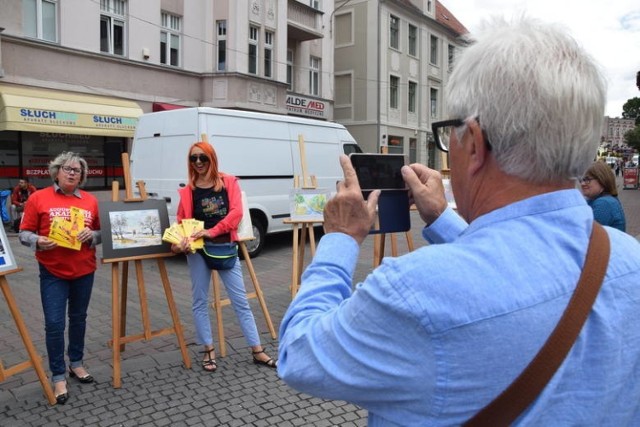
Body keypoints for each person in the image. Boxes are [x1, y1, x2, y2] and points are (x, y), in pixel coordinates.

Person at [277, 17, 640, 425]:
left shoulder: (416, 290)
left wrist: (341, 238)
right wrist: (441, 218)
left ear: (475, 143)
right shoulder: (630, 262)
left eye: (449, 131)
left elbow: (299, 353)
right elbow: (511, 269)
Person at [171, 141, 276, 372]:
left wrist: (212, 231)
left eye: (203, 158)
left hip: (224, 246)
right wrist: (182, 239)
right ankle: (208, 349)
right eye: (193, 158)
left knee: (241, 301)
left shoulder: (228, 182)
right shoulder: (188, 190)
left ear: (212, 158)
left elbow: (237, 213)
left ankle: (257, 349)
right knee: (199, 301)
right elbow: (181, 220)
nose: (198, 162)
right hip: (197, 251)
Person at [19, 152, 101, 405]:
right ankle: (57, 375)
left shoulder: (90, 201)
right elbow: (24, 233)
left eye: (77, 170)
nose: (72, 172)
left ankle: (76, 363)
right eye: (67, 168)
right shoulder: (38, 198)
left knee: (78, 319)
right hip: (53, 272)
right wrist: (37, 241)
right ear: (56, 171)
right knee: (54, 325)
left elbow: (100, 232)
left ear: (82, 176)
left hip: (84, 270)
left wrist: (93, 235)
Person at [580, 161, 626, 232]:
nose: (582, 184)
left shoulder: (604, 203)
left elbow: (585, 233)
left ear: (602, 180)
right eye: (582, 180)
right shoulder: (594, 199)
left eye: (587, 180)